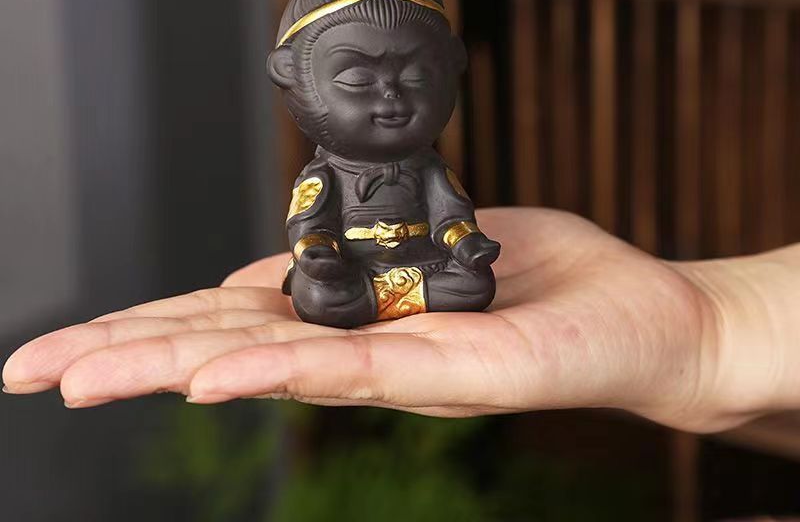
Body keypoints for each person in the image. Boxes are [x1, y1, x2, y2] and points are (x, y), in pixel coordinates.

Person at [3, 206, 798, 432]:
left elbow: (451, 220)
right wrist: (716, 323)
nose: (389, 99)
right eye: (359, 76)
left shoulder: (427, 165)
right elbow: (310, 224)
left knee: (467, 283)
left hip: (421, 273)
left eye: (412, 77)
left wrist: (465, 244)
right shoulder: (328, 171)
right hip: (358, 277)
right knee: (321, 293)